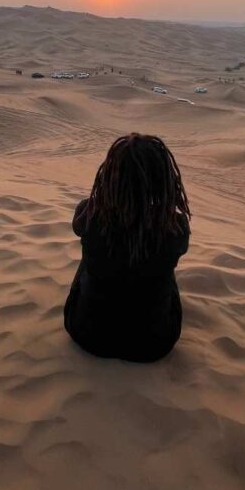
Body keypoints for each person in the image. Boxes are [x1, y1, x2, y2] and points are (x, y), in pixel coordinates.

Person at [64, 133, 191, 362]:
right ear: (164, 179)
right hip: (155, 345)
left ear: (111, 174)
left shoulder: (90, 213)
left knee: (92, 256)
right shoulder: (175, 226)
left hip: (87, 336)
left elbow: (78, 228)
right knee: (163, 265)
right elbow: (179, 248)